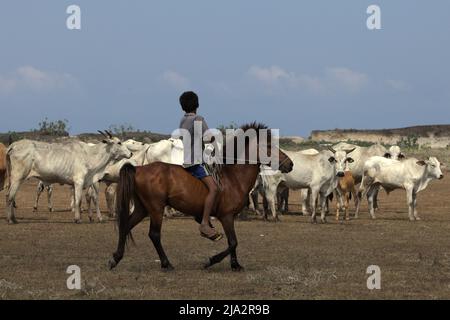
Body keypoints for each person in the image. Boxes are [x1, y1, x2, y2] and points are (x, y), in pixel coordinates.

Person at [178, 91, 223, 241]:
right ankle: (204, 223)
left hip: (185, 162)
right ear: (197, 104)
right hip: (196, 162)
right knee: (214, 188)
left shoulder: (182, 120)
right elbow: (209, 138)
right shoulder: (198, 118)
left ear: (183, 106)